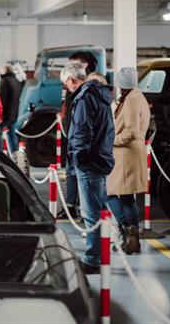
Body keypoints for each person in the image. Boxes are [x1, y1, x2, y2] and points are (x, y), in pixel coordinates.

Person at [61, 61, 114, 274]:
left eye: (66, 84)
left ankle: (93, 260)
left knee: (91, 214)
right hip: (101, 159)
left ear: (72, 80)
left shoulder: (83, 98)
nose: (67, 88)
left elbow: (82, 132)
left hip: (89, 164)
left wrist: (78, 159)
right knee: (101, 211)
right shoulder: (101, 95)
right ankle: (103, 254)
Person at [107, 67, 150, 255]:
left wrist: (111, 141)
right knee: (126, 197)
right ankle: (133, 237)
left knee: (110, 194)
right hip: (131, 154)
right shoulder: (137, 96)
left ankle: (126, 230)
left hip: (125, 154)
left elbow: (131, 131)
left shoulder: (131, 100)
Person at [57, 51, 99, 220]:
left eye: (72, 63)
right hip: (71, 133)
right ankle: (70, 206)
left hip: (83, 139)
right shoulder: (70, 84)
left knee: (83, 174)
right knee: (70, 172)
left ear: (84, 65)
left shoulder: (90, 86)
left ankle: (85, 209)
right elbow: (65, 103)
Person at [0, 64, 22, 153]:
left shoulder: (4, 81)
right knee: (12, 135)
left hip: (6, 113)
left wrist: (0, 114)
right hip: (14, 113)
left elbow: (1, 99)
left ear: (5, 71)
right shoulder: (16, 81)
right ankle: (15, 155)